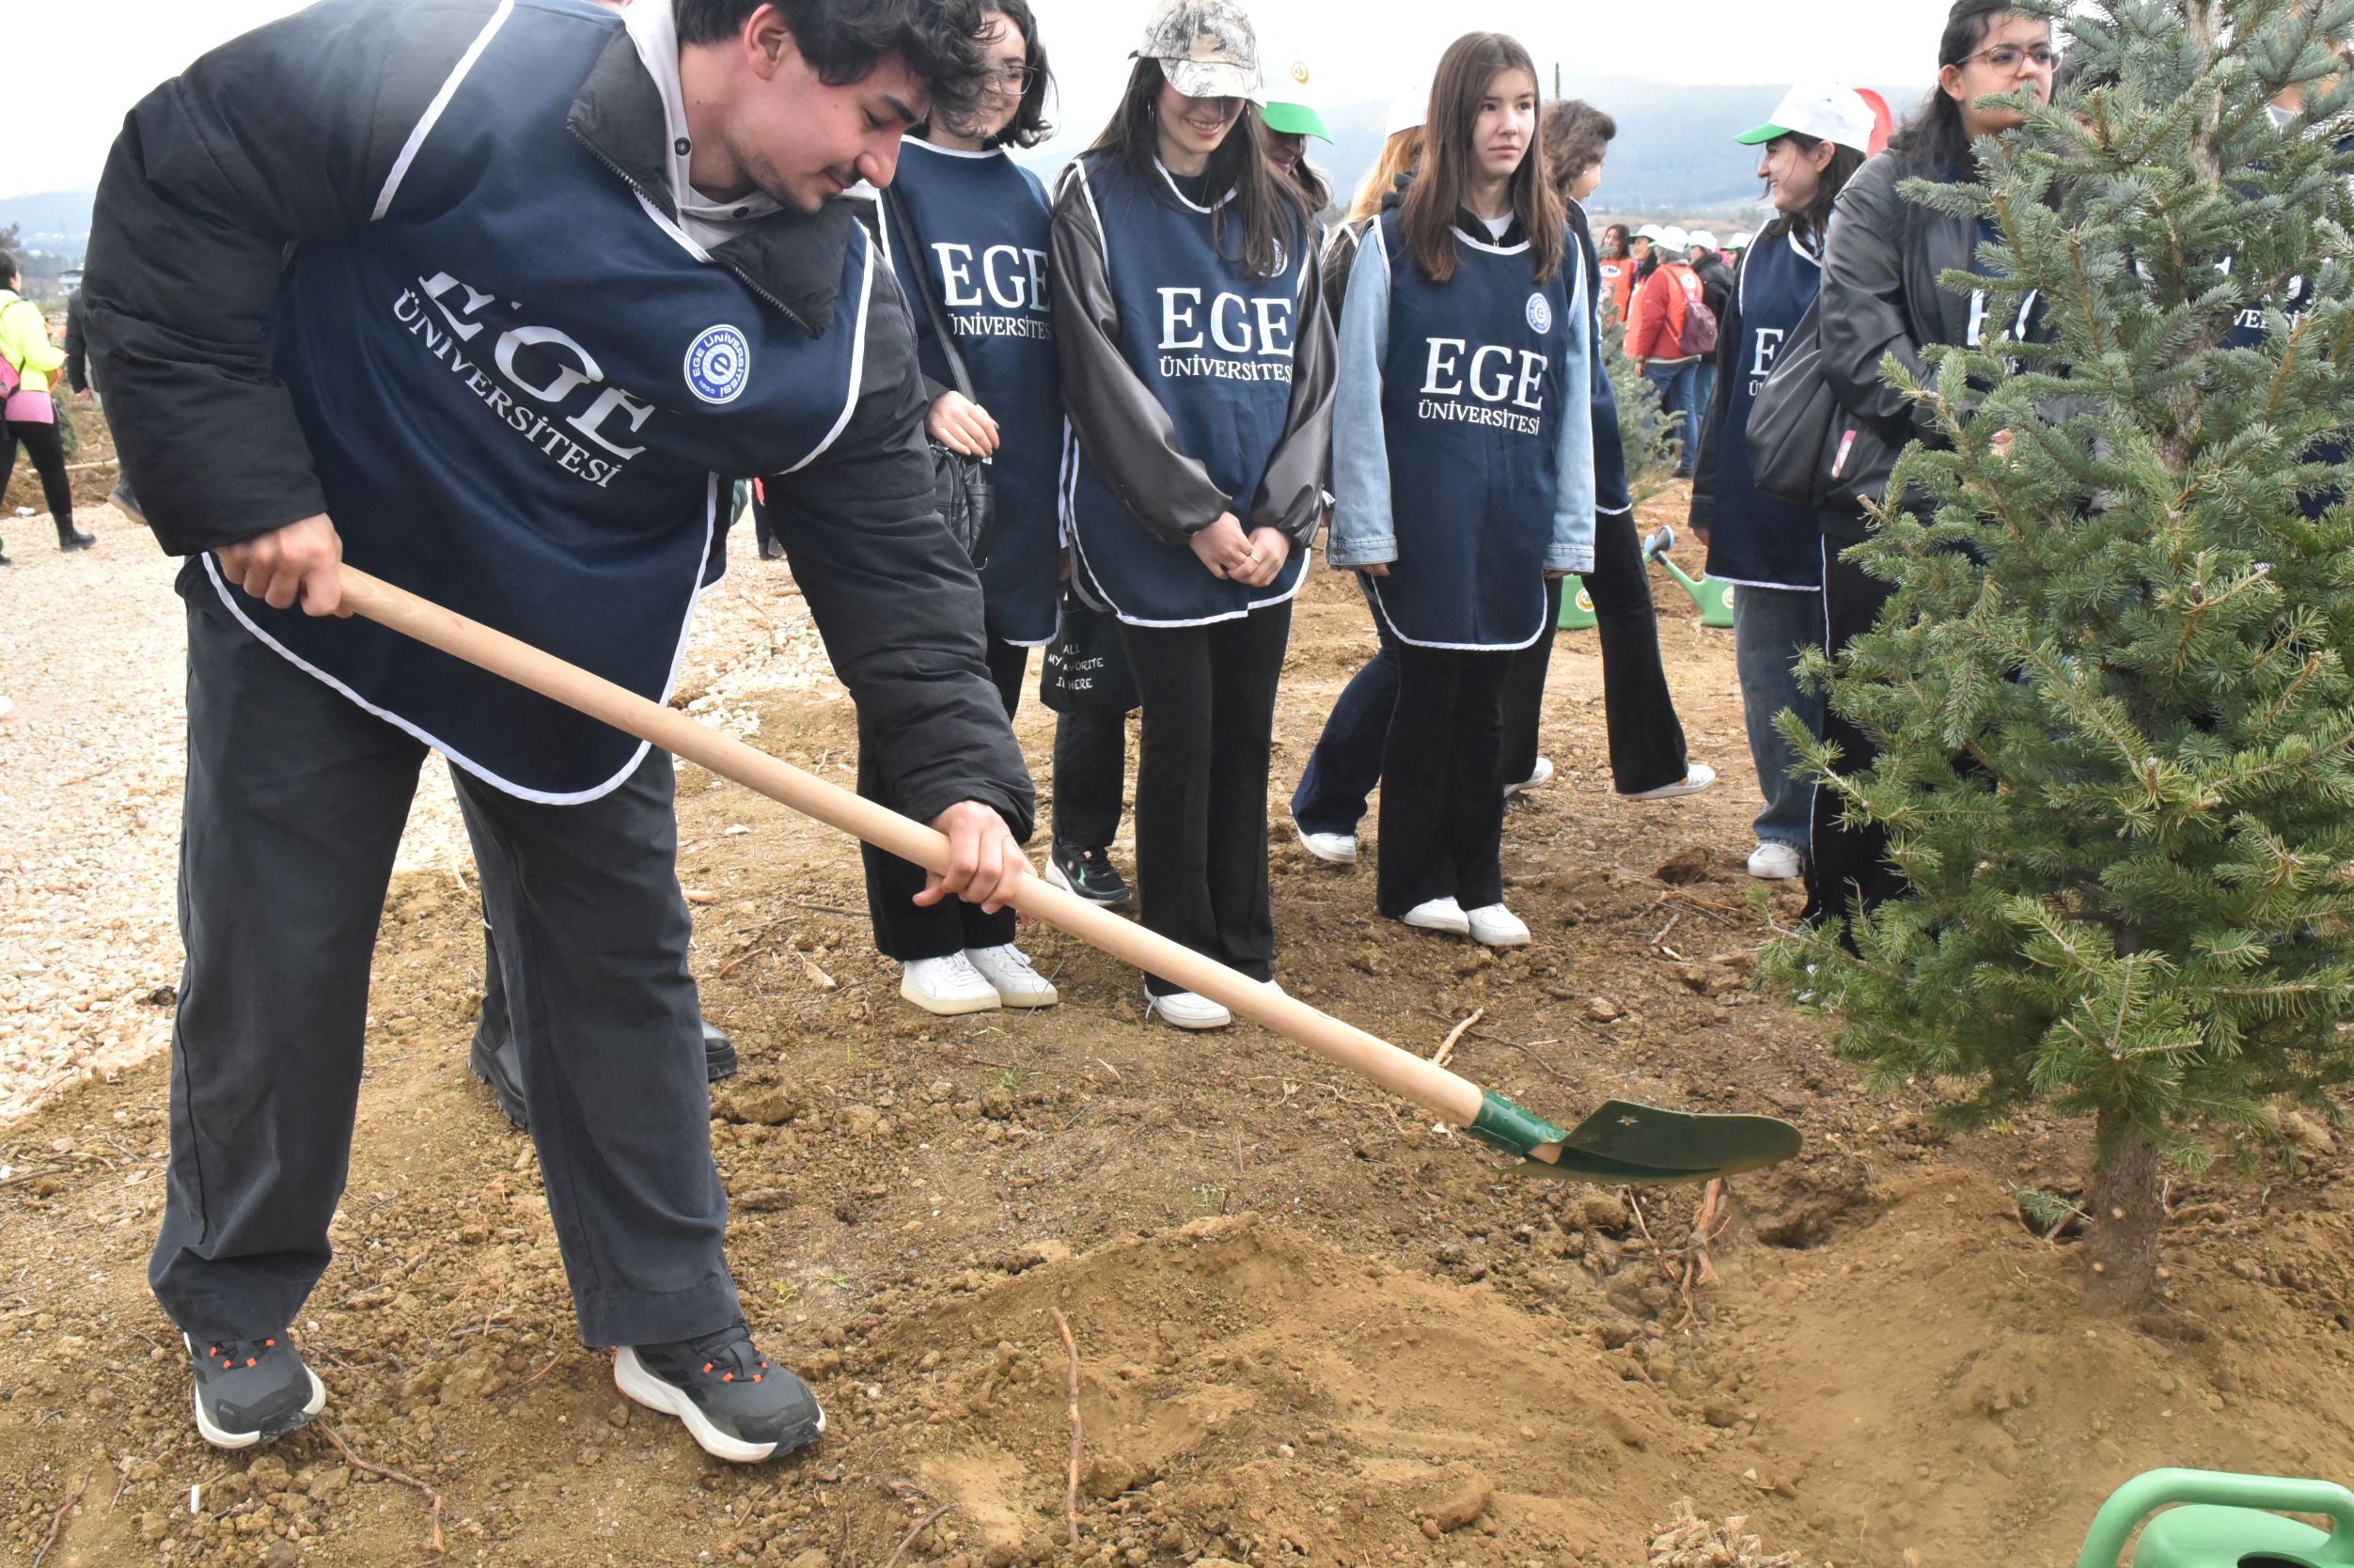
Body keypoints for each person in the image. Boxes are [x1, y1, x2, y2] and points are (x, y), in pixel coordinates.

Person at [88, 0, 1032, 1464]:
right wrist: (241, 486)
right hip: (325, 591)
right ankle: (234, 1288)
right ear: (770, 40)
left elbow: (893, 556)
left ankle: (670, 1311)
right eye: (882, 119)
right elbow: (182, 172)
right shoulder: (463, 68)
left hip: (569, 654)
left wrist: (964, 774)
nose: (888, 168)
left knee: (620, 963)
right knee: (278, 949)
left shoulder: (838, 293)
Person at [1051, 0, 1335, 1030]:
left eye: (1228, 91)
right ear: (1150, 80)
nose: (1207, 105)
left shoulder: (1287, 212)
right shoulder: (1093, 194)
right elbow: (1097, 373)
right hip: (1154, 527)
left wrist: (1279, 520)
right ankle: (1174, 959)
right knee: (1181, 734)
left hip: (1261, 537)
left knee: (1245, 737)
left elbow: (1312, 378)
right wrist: (1195, 516)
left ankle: (1243, 945)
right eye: (1190, 83)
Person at [1328, 32, 1593, 946]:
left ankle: (1479, 878)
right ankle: (1411, 879)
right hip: (1422, 522)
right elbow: (1357, 395)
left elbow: (1569, 408)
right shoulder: (1393, 242)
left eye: (1521, 105)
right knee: (1427, 695)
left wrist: (1569, 532)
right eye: (1487, 105)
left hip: (1511, 525)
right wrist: (1362, 519)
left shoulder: (1556, 250)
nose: (1508, 124)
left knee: (1490, 705)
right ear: (1452, 115)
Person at [1804, 0, 2056, 927]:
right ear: (1952, 78)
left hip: (2028, 505)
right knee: (1875, 712)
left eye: (2040, 54)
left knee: (1981, 720)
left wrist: (2035, 430)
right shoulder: (1887, 189)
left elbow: (2101, 348)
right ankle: (1850, 921)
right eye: (2002, 56)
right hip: (1892, 497)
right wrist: (1963, 428)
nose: (2027, 72)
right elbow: (1859, 337)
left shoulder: (2068, 194)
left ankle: (1942, 917)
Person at [865, 0, 1066, 1015]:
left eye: (1017, 70)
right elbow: (854, 324)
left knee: (992, 713)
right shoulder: (888, 175)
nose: (997, 87)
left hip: (1020, 499)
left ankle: (989, 922)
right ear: (933, 64)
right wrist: (927, 397)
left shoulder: (1032, 194)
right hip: (930, 500)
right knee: (911, 711)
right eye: (978, 64)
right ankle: (918, 933)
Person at [1687, 85, 1874, 883]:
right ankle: (1787, 824)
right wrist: (1706, 491)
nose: (1765, 167)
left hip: (1854, 500)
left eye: (1778, 150)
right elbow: (1730, 380)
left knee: (1857, 666)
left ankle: (1859, 826)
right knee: (1769, 665)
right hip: (1763, 500)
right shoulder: (1762, 249)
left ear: (1823, 154)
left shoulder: (1882, 247)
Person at [1, 255, 95, 559]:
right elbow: (39, 356)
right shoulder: (22, 309)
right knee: (51, 468)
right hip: (27, 398)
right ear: (13, 276)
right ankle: (67, 533)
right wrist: (59, 355)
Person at [1624, 225, 1709, 477]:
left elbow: (1651, 321)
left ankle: (1647, 461)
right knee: (1687, 408)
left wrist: (1641, 355)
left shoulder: (1661, 276)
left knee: (1646, 407)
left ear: (1663, 250)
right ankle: (1689, 464)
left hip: (1664, 354)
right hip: (1690, 352)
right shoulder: (1692, 275)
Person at [1685, 229, 1734, 435]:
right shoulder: (1725, 271)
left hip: (1706, 351)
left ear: (1703, 250)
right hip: (1722, 347)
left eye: (1692, 248)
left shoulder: (1704, 278)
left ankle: (1697, 452)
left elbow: (1705, 320)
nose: (1689, 253)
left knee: (1699, 403)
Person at [1597, 221, 1637, 323]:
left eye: (1615, 239)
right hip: (1594, 321)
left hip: (1616, 327)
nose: (1609, 241)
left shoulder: (1631, 265)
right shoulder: (1596, 262)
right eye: (1608, 237)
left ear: (1623, 243)